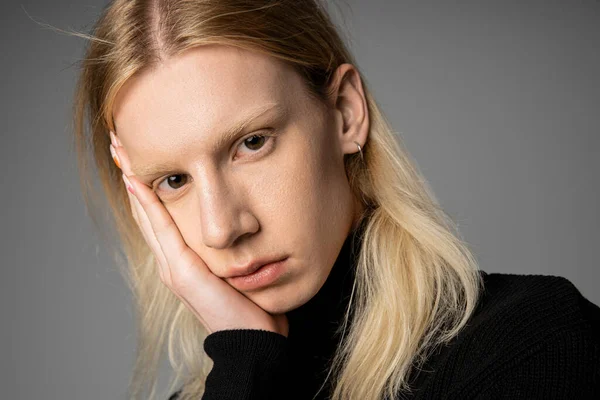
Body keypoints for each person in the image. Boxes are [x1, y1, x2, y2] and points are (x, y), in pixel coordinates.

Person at [70, 1, 600, 399]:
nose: (221, 228)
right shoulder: (229, 383)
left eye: (252, 143)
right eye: (173, 181)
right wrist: (248, 360)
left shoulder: (533, 346)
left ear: (345, 113)